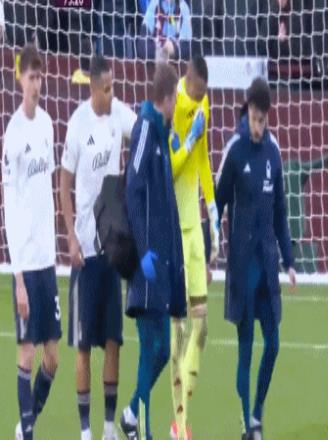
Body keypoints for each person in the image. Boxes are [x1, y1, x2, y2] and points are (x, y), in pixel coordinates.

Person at [60, 55, 137, 440]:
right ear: (93, 88)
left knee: (113, 341)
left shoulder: (119, 114)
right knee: (83, 346)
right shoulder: (78, 124)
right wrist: (71, 236)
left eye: (113, 87)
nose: (112, 94)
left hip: (113, 248)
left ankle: (109, 427)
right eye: (106, 89)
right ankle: (86, 431)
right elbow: (64, 184)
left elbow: (142, 132)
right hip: (85, 251)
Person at [215, 78, 297, 440]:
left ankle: (258, 413)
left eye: (263, 120)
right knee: (246, 348)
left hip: (267, 264)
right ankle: (246, 423)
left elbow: (280, 210)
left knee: (273, 344)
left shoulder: (273, 151)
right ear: (246, 110)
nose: (258, 126)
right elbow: (216, 202)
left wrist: (289, 260)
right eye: (254, 118)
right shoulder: (234, 150)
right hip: (241, 265)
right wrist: (211, 245)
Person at [120, 62, 187, 440]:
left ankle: (132, 415)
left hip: (161, 263)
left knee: (162, 350)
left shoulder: (161, 133)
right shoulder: (145, 128)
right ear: (168, 98)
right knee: (151, 348)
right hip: (147, 264)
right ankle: (140, 430)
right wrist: (144, 250)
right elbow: (132, 188)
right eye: (176, 98)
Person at [2, 44, 61, 440]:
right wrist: (18, 277)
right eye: (31, 77)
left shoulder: (47, 125)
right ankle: (27, 432)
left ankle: (27, 424)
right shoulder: (13, 134)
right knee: (26, 352)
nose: (37, 84)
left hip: (47, 261)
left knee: (52, 358)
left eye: (40, 76)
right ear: (19, 79)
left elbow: (47, 193)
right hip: (26, 264)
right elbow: (9, 207)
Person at [167, 55, 218, 440]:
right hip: (173, 229)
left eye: (204, 95)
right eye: (198, 93)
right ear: (188, 78)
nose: (201, 99)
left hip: (195, 227)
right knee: (179, 329)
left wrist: (212, 210)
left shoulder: (204, 104)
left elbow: (201, 160)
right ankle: (180, 425)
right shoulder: (173, 105)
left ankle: (182, 413)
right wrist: (187, 139)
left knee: (201, 326)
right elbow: (173, 167)